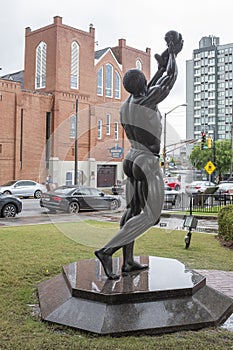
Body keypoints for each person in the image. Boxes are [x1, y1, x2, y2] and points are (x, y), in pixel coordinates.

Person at [95, 31, 183, 279]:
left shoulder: (128, 104)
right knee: (152, 216)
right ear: (143, 85)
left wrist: (159, 67)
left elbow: (151, 85)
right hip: (147, 162)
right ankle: (107, 251)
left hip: (131, 159)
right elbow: (170, 79)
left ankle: (128, 262)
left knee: (133, 211)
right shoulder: (147, 102)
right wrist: (173, 55)